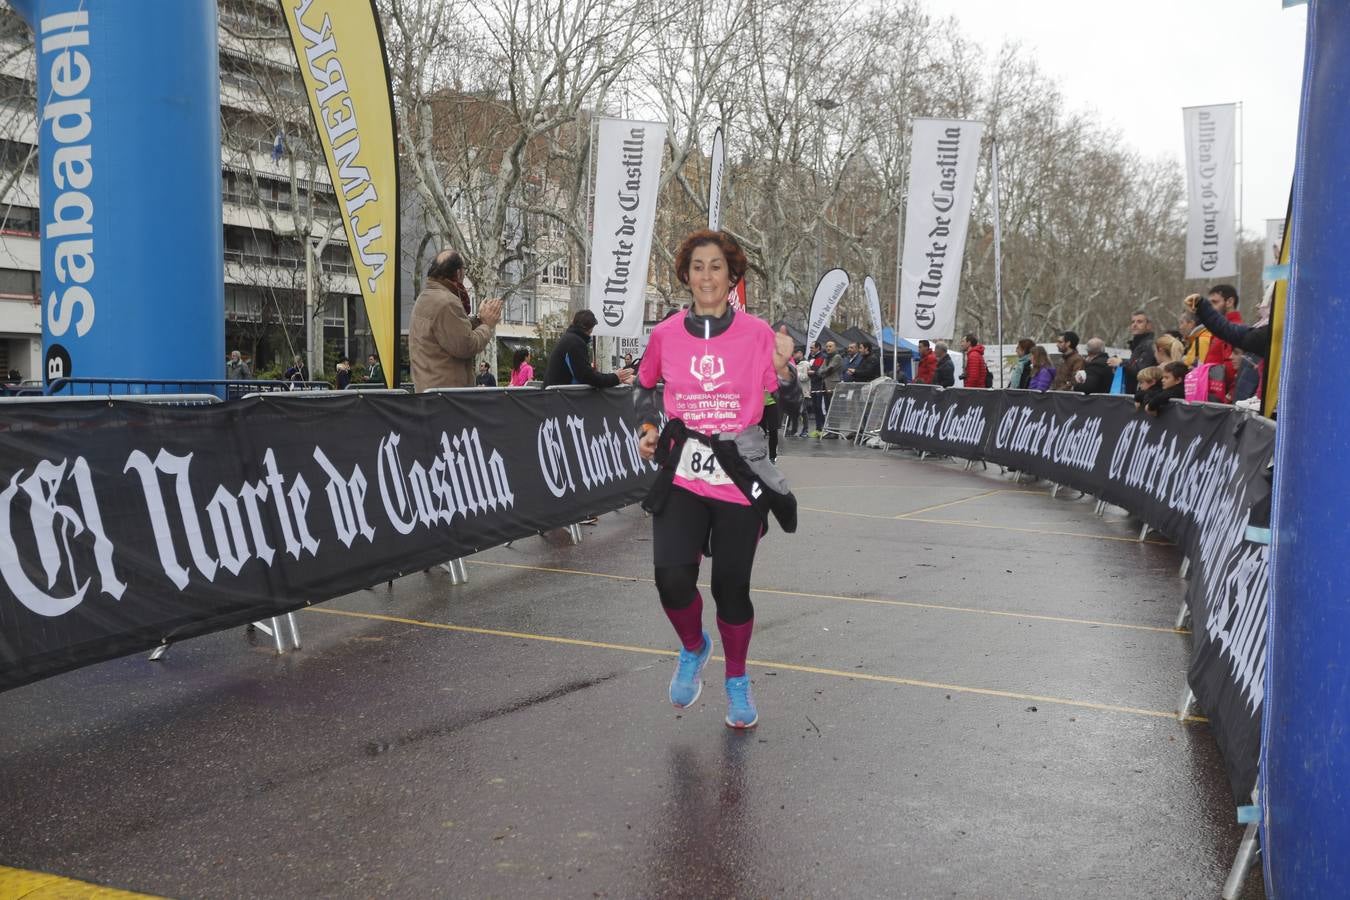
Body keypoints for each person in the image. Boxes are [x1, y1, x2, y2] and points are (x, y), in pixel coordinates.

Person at [634, 229, 799, 730]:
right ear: (686, 276)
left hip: (737, 470)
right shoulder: (665, 335)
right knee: (671, 580)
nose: (707, 275)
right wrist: (646, 428)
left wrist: (785, 370)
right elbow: (643, 390)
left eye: (717, 267)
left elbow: (789, 403)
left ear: (732, 278)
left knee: (731, 588)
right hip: (684, 469)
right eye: (698, 266)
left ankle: (736, 680)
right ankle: (693, 647)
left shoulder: (757, 334)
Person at [409, 249, 503, 391]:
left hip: (430, 392)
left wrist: (479, 319)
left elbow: (454, 332)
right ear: (458, 273)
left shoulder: (426, 297)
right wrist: (487, 325)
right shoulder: (447, 302)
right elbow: (466, 345)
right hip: (448, 397)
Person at [1187, 292, 1274, 402]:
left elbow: (1228, 332)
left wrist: (1228, 395)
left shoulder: (1267, 333)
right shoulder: (1261, 331)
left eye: (1264, 302)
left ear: (1230, 302)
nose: (1259, 306)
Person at [542, 309, 634, 387]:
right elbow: (587, 377)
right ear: (589, 328)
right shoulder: (575, 343)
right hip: (562, 399)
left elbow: (584, 374)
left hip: (555, 396)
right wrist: (615, 378)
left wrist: (613, 376)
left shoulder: (568, 339)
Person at [1107, 311, 1156, 394]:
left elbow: (1141, 371)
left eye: (1139, 322)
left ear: (1148, 325)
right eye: (1133, 322)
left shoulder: (1148, 345)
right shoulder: (1138, 345)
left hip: (1143, 394)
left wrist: (1121, 363)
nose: (1135, 324)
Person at [812, 340, 841, 435]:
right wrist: (822, 371)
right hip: (825, 385)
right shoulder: (826, 357)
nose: (828, 348)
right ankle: (830, 430)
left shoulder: (837, 357)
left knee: (834, 409)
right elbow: (820, 370)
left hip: (833, 385)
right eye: (827, 346)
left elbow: (830, 368)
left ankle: (835, 431)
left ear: (835, 347)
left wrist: (822, 371)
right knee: (828, 408)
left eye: (830, 346)